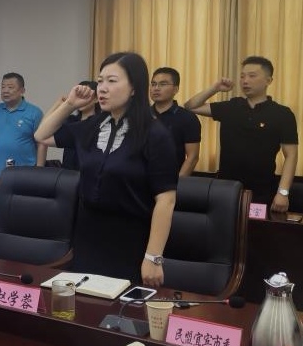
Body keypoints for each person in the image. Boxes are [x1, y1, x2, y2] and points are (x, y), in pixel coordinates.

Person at [35, 52, 177, 287]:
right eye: (100, 81)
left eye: (112, 81)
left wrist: (153, 256)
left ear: (134, 88)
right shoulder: (92, 127)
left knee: (121, 305)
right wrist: (70, 104)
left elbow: (166, 199)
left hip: (130, 240)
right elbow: (42, 135)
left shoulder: (155, 134)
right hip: (87, 236)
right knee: (86, 301)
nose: (102, 88)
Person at [184, 56, 298, 211]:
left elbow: (291, 155)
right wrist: (215, 88)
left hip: (261, 191)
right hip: (225, 189)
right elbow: (191, 106)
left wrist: (283, 192)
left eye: (252, 76)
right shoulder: (231, 107)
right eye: (242, 76)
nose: (245, 81)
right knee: (221, 225)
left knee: (255, 225)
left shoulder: (282, 114)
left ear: (268, 80)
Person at [0, 72, 46, 181]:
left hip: (25, 175)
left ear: (22, 91)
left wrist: (39, 172)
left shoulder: (34, 113)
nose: (5, 90)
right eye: (3, 87)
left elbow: (42, 143)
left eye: (10, 87)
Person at [149, 67, 201, 176]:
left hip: (170, 179)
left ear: (175, 89)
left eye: (163, 84)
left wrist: (178, 182)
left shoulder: (187, 118)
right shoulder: (142, 115)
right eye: (153, 84)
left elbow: (192, 157)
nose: (156, 88)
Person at [38, 80, 99, 170]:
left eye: (86, 95)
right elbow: (41, 132)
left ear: (96, 99)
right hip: (67, 172)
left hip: (88, 172)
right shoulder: (71, 120)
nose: (81, 99)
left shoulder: (100, 123)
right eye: (79, 95)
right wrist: (59, 104)